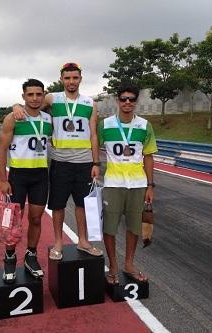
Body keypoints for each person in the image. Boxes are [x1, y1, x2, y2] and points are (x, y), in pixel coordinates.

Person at [13, 62, 103, 260]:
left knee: (82, 203)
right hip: (60, 161)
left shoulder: (90, 103)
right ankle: (58, 241)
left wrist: (96, 163)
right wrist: (16, 106)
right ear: (61, 79)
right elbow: (31, 105)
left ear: (81, 78)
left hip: (84, 162)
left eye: (75, 78)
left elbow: (93, 134)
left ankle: (83, 240)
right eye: (67, 78)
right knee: (58, 204)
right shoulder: (52, 98)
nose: (71, 81)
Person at [98, 82, 157, 284]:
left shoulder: (144, 125)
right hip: (113, 184)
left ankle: (129, 264)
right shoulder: (104, 125)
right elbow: (93, 147)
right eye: (123, 99)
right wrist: (94, 166)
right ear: (117, 101)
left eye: (131, 99)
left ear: (136, 102)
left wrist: (150, 185)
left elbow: (148, 156)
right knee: (110, 228)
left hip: (138, 184)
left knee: (134, 227)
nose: (127, 102)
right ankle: (113, 267)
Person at [0, 78, 52, 283]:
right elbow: (1, 150)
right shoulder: (13, 118)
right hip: (18, 176)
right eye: (30, 94)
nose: (35, 98)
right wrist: (3, 180)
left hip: (40, 176)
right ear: (23, 96)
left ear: (43, 95)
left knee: (36, 219)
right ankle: (10, 258)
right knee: (13, 221)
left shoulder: (48, 119)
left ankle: (30, 256)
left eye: (39, 94)